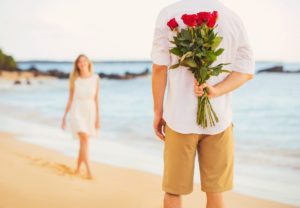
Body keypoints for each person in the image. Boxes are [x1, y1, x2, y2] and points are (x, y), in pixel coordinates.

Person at [151, 0, 255, 207]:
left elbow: (159, 69)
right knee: (215, 192)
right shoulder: (232, 17)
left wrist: (157, 112)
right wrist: (215, 91)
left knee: (173, 191)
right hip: (219, 121)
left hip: (178, 117)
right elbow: (246, 71)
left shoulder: (169, 13)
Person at [61, 54, 100, 179]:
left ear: (88, 63)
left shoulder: (95, 78)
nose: (82, 63)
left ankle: (77, 168)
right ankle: (89, 171)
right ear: (77, 65)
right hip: (77, 110)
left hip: (90, 111)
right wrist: (64, 116)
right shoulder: (74, 79)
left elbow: (96, 99)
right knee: (84, 139)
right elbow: (70, 99)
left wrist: (98, 118)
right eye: (79, 62)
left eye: (84, 61)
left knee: (84, 142)